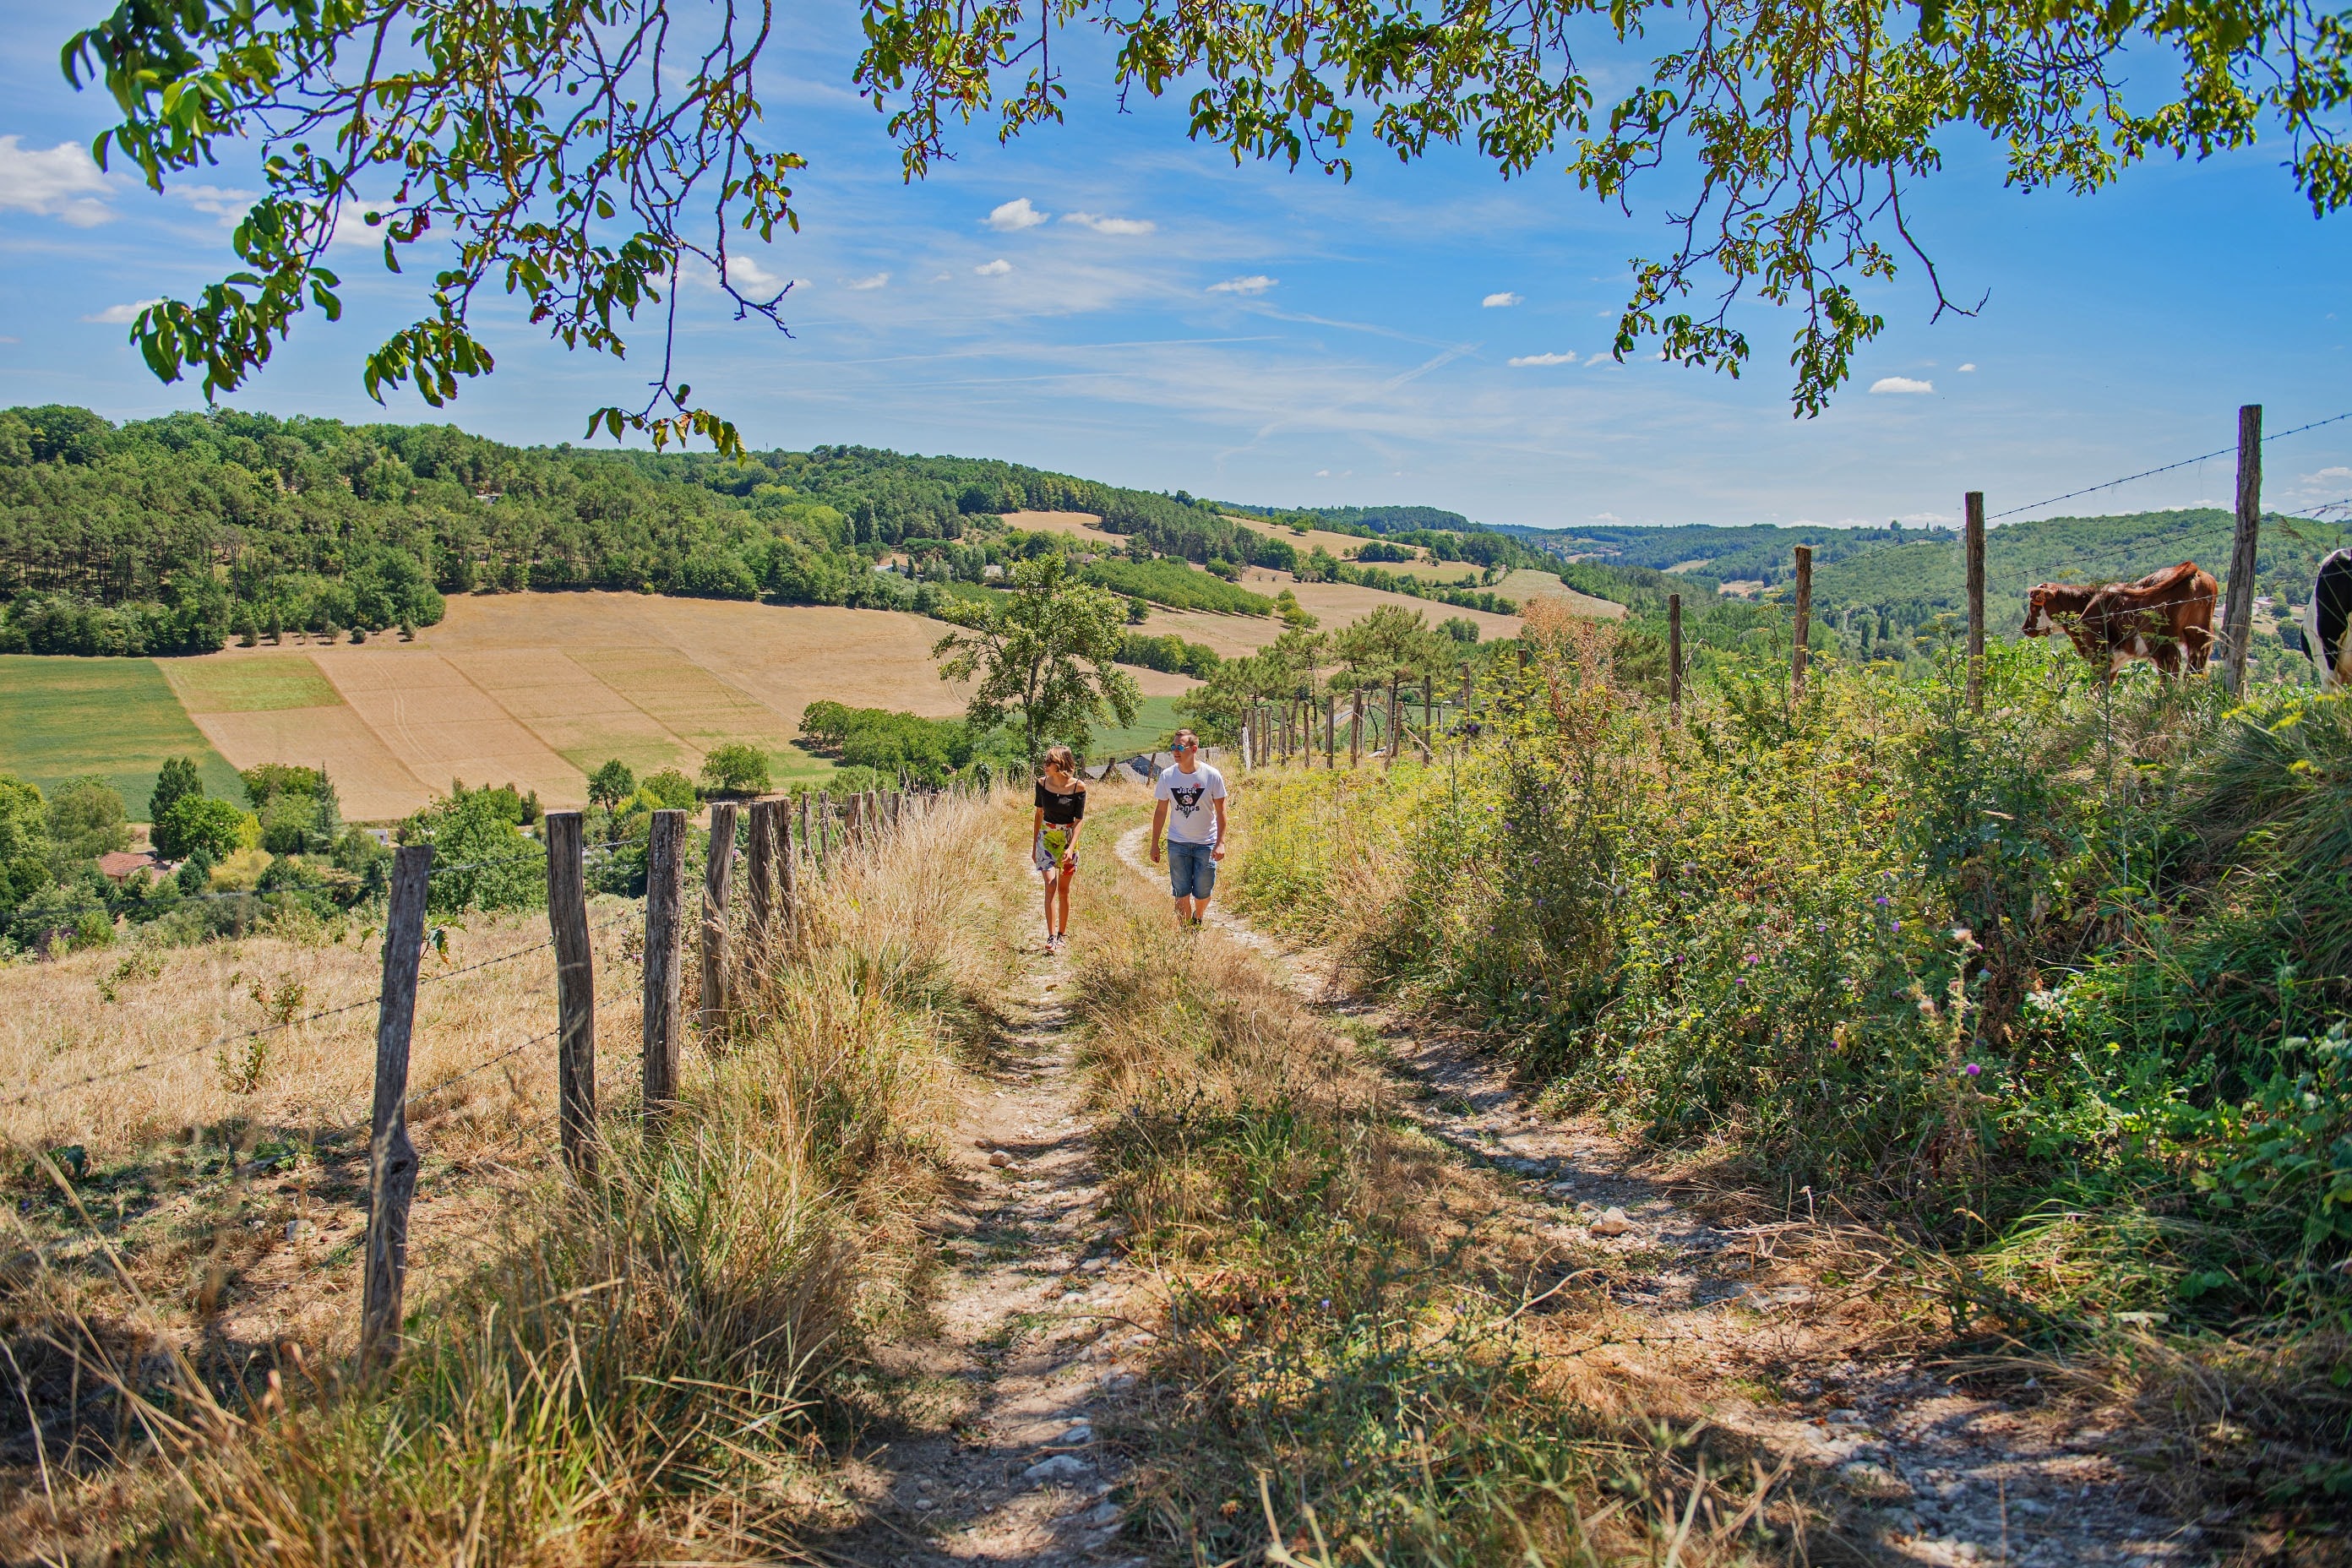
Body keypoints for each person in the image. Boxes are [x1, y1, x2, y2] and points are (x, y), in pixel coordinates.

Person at [1147, 728, 1227, 928]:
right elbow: (1160, 811)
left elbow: (1221, 811)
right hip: (1177, 843)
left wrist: (1221, 843)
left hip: (1206, 843)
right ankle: (1186, 934)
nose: (1175, 751)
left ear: (1193, 749)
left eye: (1180, 747)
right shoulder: (1167, 776)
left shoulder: (1211, 776)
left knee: (1203, 892)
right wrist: (1154, 843)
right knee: (1181, 892)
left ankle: (1198, 917)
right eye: (1173, 746)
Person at [1031, 745, 1087, 952]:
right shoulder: (1041, 784)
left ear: (1060, 764)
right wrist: (1034, 845)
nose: (1044, 766)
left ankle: (1062, 934)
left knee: (1064, 890)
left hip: (1068, 839)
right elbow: (1038, 814)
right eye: (1045, 762)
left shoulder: (1078, 787)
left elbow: (1079, 820)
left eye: (1049, 762)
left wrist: (1071, 847)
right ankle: (1051, 936)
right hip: (1046, 837)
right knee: (1050, 885)